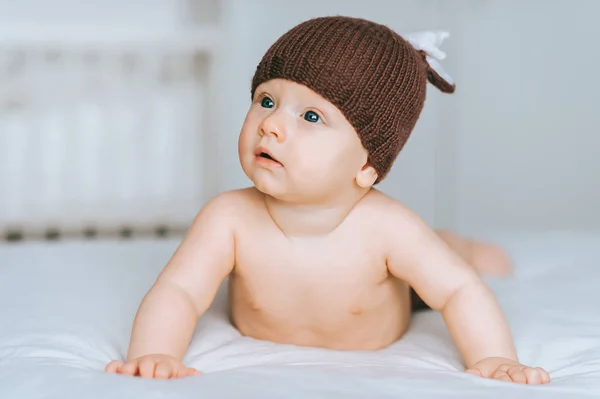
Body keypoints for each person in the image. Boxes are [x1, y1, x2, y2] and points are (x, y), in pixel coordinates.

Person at [105, 16, 550, 384]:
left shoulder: (387, 227)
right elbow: (179, 290)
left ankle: (462, 245)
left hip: (393, 291)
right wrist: (155, 353)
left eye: (311, 115)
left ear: (366, 167)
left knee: (442, 264)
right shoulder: (228, 217)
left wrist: (494, 358)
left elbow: (458, 291)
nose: (271, 125)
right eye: (265, 100)